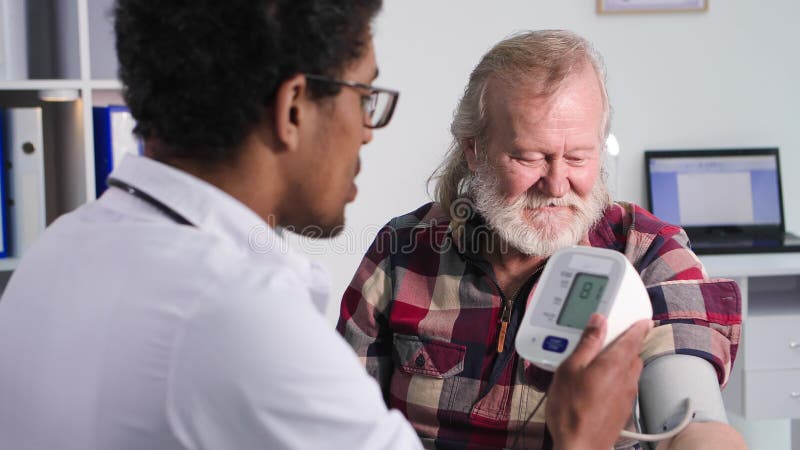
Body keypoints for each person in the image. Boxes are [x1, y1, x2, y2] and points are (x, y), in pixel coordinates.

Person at [0, 3, 657, 450]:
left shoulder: (56, 253)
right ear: (294, 107)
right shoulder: (242, 317)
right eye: (364, 96)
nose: (368, 130)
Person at [338, 30, 747, 450]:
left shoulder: (648, 255)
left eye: (578, 157)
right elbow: (340, 425)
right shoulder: (403, 250)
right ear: (474, 150)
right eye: (529, 157)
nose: (555, 186)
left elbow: (693, 423)